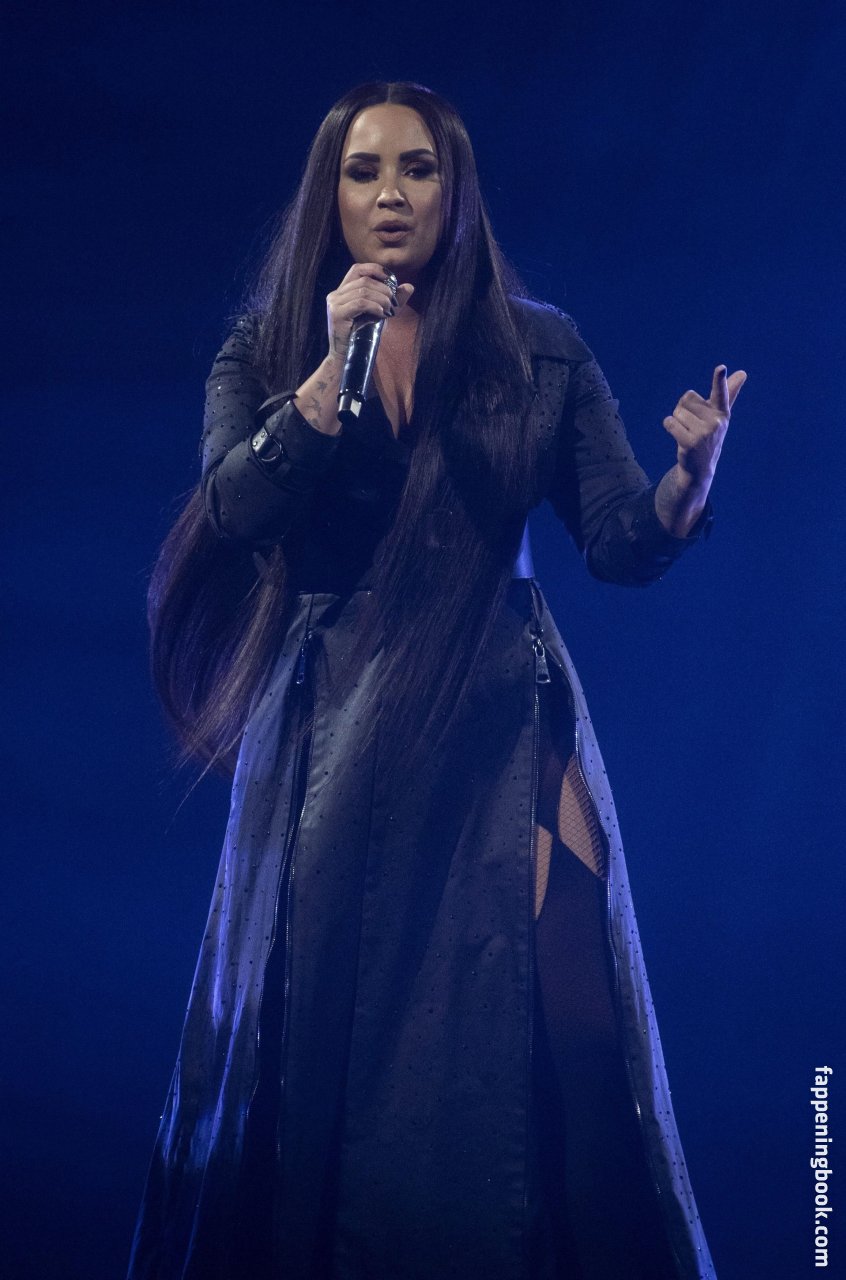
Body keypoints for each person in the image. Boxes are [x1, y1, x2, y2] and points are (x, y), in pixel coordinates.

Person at [128, 81, 746, 1280]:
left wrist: (690, 485)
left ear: (456, 189)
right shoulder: (266, 347)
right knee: (317, 1044)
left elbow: (618, 539)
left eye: (417, 168)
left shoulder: (538, 347)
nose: (392, 195)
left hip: (502, 715)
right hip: (335, 725)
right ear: (331, 195)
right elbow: (235, 510)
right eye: (364, 171)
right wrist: (323, 381)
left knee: (578, 1023)